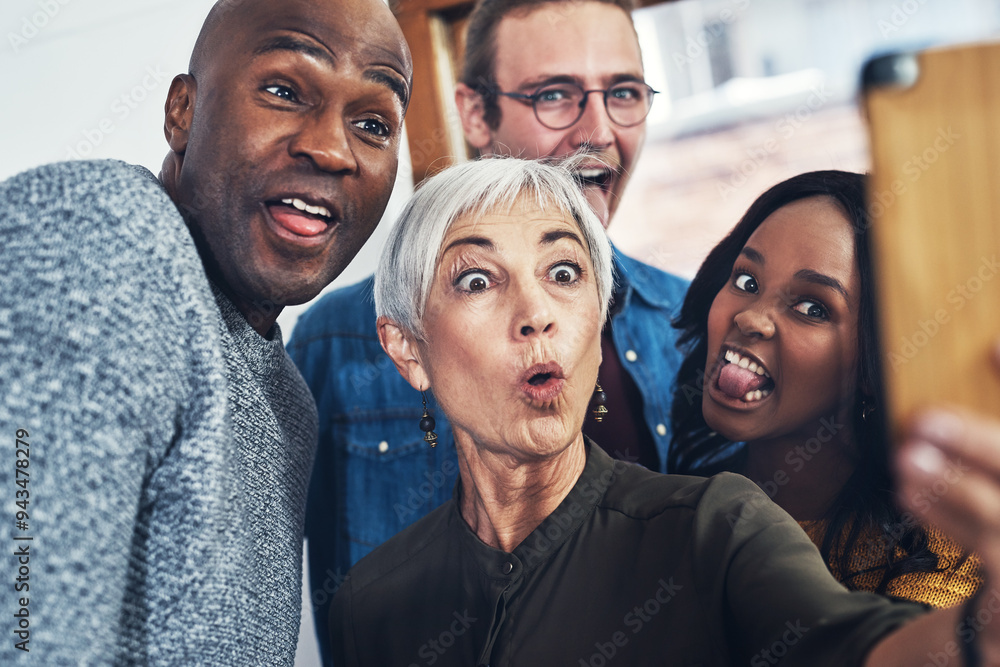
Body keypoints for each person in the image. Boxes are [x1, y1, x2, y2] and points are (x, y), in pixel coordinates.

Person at [329, 156, 1000, 666]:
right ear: (407, 348)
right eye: (477, 279)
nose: (536, 314)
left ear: (601, 319)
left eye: (563, 273)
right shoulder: (370, 602)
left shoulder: (718, 524)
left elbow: (866, 648)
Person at [0, 0, 411, 663]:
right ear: (182, 112)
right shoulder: (104, 235)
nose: (332, 148)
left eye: (372, 122)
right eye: (284, 89)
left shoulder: (289, 401)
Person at [287, 1, 688, 655]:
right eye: (555, 94)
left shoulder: (689, 324)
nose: (600, 131)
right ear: (475, 113)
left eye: (623, 93)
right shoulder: (337, 345)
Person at [667, 170, 983, 607]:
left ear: (877, 367)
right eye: (746, 282)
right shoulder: (675, 513)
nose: (750, 318)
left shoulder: (938, 551)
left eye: (812, 307)